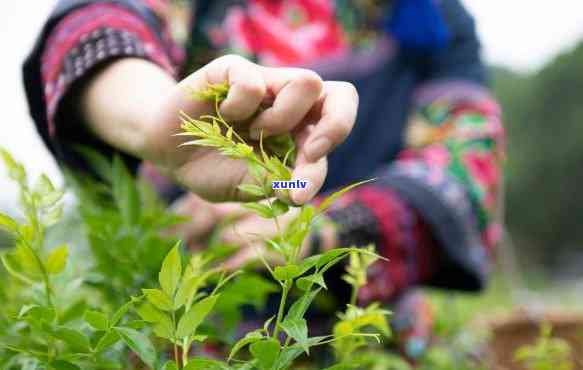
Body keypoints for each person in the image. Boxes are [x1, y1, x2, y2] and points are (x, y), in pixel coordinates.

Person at [23, 0, 504, 359]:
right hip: (190, 337)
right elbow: (97, 28)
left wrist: (321, 227)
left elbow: (466, 170)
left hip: (370, 338)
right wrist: (157, 122)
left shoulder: (431, 19)